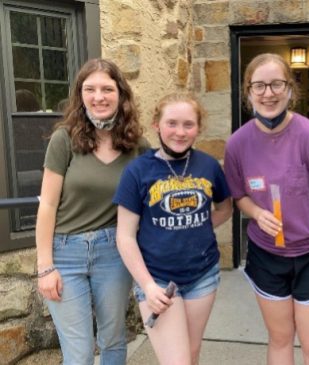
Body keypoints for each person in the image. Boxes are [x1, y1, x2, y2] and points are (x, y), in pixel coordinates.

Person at [224, 53, 309, 365]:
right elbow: (239, 196)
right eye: (259, 86)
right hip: (267, 255)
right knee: (280, 340)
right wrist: (256, 214)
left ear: (290, 90)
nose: (268, 93)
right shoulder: (237, 144)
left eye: (276, 84)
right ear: (248, 91)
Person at [35, 58, 149, 365]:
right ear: (80, 95)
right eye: (90, 89)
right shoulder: (64, 139)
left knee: (113, 340)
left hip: (114, 252)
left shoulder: (137, 145)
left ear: (120, 94)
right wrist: (45, 266)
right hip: (65, 253)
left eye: (107, 89)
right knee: (80, 352)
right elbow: (47, 204)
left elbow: (161, 188)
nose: (99, 96)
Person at [113, 92, 232, 365]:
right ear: (157, 125)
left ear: (198, 128)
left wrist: (196, 227)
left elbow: (225, 208)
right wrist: (147, 285)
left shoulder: (209, 166)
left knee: (191, 353)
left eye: (188, 125)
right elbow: (125, 236)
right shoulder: (137, 171)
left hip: (203, 275)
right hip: (157, 280)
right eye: (172, 123)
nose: (180, 132)